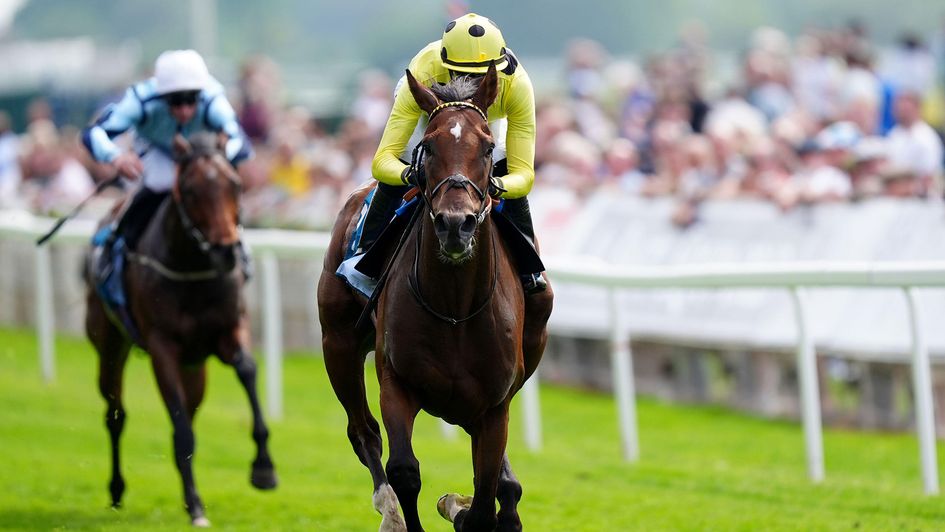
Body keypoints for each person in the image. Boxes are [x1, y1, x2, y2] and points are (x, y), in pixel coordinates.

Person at [362, 12, 546, 293]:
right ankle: (363, 256)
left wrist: (495, 184)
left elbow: (524, 175)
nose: (473, 85)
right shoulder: (425, 70)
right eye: (465, 75)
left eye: (482, 77)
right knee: (409, 160)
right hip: (428, 115)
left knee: (500, 163)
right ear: (446, 67)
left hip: (487, 120)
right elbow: (382, 161)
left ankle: (531, 272)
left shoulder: (516, 84)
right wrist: (411, 173)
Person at [82, 50, 252, 275]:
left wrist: (221, 154)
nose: (184, 110)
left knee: (215, 187)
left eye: (191, 99)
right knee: (160, 182)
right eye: (176, 101)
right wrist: (116, 157)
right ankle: (113, 245)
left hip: (202, 154)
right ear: (162, 96)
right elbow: (94, 133)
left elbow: (240, 141)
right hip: (156, 150)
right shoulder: (141, 100)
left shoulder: (213, 98)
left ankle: (240, 247)